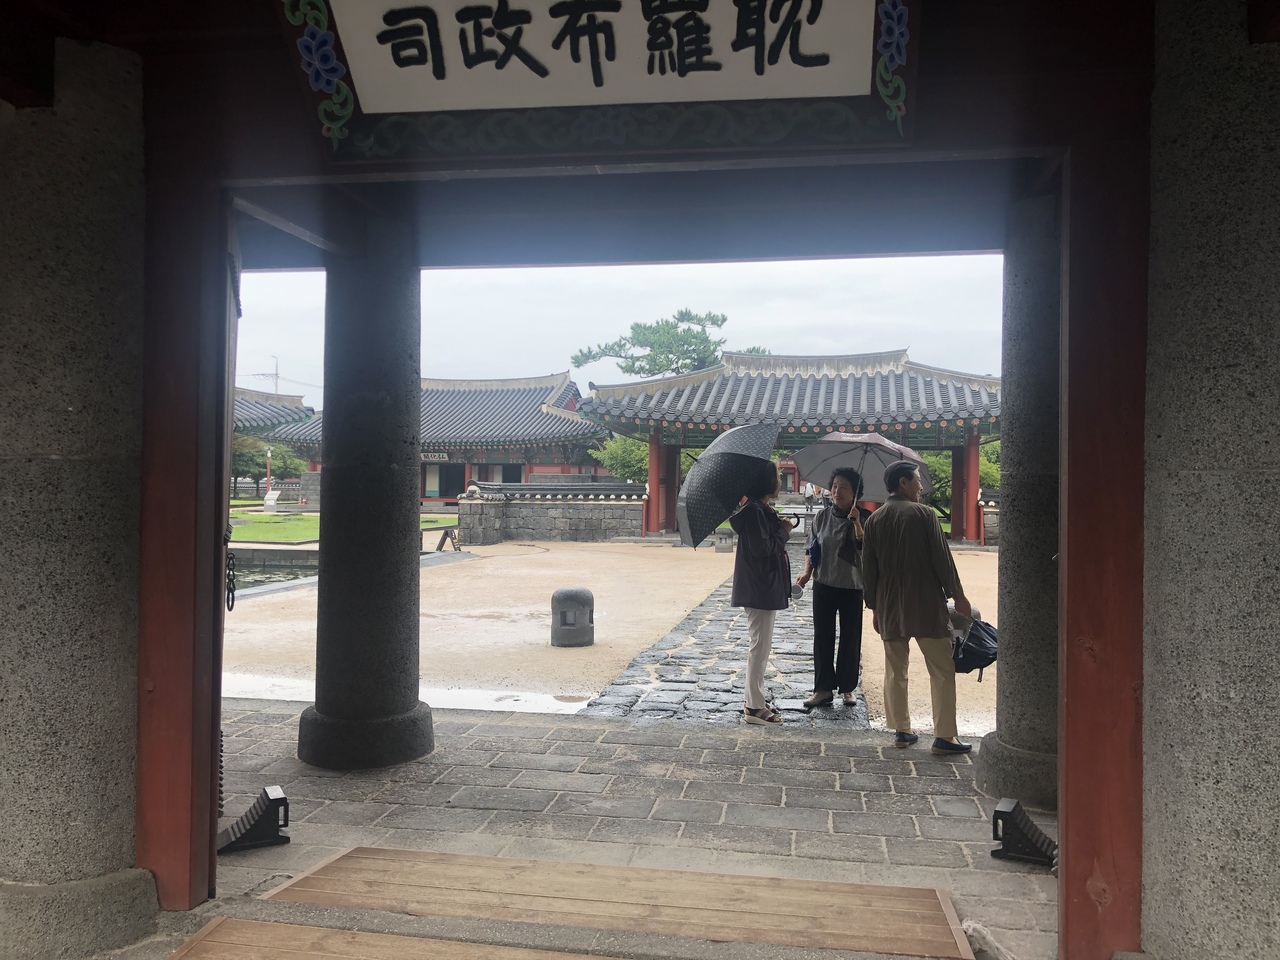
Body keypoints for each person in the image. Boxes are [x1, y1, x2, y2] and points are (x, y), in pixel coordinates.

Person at [861, 460, 974, 755]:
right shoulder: (924, 515)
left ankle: (902, 730)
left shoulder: (874, 520)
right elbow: (942, 558)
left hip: (889, 603)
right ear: (903, 483)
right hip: (925, 602)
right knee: (941, 669)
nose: (921, 487)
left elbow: (868, 570)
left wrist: (874, 608)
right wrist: (958, 595)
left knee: (895, 669)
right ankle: (945, 736)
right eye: (917, 481)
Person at [729, 460, 795, 725]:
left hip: (763, 586)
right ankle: (754, 707)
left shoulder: (759, 509)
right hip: (760, 587)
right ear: (766, 482)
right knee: (759, 646)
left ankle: (755, 698)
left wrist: (778, 526)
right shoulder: (755, 511)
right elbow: (762, 549)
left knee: (762, 646)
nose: (779, 481)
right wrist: (783, 532)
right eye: (777, 477)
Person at [796, 467, 865, 709]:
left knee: (850, 639)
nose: (837, 491)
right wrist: (807, 572)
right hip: (824, 584)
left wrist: (857, 523)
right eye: (834, 486)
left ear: (855, 492)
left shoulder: (864, 517)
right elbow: (812, 547)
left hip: (852, 586)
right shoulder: (822, 517)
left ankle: (847, 687)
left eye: (843, 487)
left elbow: (865, 548)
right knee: (823, 637)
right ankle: (823, 689)